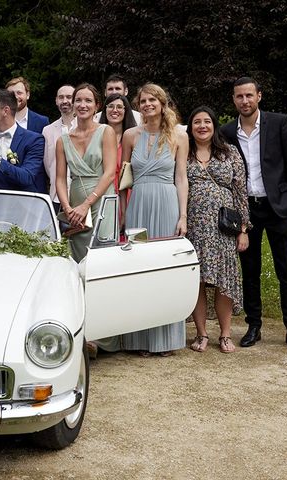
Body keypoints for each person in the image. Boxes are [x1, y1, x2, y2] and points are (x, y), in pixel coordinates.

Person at [221, 77, 287, 349]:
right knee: (250, 270)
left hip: (278, 207)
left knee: (286, 270)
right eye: (239, 96)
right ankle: (254, 326)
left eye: (249, 95)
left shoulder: (279, 123)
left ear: (259, 96)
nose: (245, 101)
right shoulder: (228, 132)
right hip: (247, 211)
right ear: (234, 100)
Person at [119, 83, 189, 356]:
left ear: (162, 103)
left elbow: (181, 178)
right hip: (138, 205)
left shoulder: (179, 137)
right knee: (139, 269)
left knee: (165, 270)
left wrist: (183, 215)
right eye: (143, 100)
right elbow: (124, 179)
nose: (147, 104)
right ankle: (140, 338)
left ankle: (166, 340)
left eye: (152, 100)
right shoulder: (129, 135)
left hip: (167, 202)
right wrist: (124, 211)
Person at [186, 106, 250, 353]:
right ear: (190, 128)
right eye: (196, 123)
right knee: (196, 281)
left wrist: (243, 228)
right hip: (194, 226)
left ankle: (224, 334)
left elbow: (240, 191)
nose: (202, 126)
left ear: (214, 125)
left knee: (224, 280)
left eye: (207, 122)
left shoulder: (229, 152)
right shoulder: (184, 152)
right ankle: (201, 334)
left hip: (224, 227)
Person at [55, 83, 116, 262]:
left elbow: (110, 173)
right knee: (77, 257)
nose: (83, 105)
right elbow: (59, 179)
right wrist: (67, 209)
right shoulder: (62, 140)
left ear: (97, 106)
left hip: (102, 200)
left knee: (102, 255)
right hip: (74, 206)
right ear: (73, 105)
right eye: (78, 100)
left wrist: (86, 205)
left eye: (88, 101)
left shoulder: (106, 131)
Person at [42, 84, 76, 211]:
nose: (65, 101)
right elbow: (48, 163)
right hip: (56, 194)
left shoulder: (85, 127)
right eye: (61, 97)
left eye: (69, 97)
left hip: (81, 193)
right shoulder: (48, 130)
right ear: (56, 100)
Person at [98, 94, 137, 200]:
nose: (114, 110)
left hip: (128, 195)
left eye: (119, 107)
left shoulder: (134, 139)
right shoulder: (96, 137)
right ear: (105, 110)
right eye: (110, 106)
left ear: (126, 111)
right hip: (101, 193)